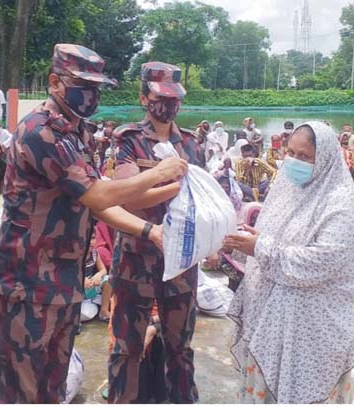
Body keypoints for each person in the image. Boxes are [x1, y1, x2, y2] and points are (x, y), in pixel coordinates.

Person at [0, 45, 186, 404]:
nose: (91, 96)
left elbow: (97, 203)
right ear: (54, 83)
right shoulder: (40, 131)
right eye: (82, 85)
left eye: (96, 88)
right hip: (25, 285)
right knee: (21, 393)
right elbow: (97, 194)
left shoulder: (78, 133)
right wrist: (159, 173)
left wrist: (148, 231)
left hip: (62, 283)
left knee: (51, 390)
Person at [223, 121, 354, 404]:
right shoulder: (285, 187)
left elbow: (316, 262)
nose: (295, 161)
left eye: (304, 156)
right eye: (291, 153)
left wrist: (260, 246)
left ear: (323, 159)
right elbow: (267, 235)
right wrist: (244, 243)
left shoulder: (341, 205)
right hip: (270, 325)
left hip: (313, 332)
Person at [107, 61, 200, 404]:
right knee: (127, 348)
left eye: (175, 98)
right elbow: (126, 197)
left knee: (180, 348)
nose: (170, 105)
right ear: (144, 97)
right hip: (136, 260)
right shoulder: (128, 139)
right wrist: (172, 184)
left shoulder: (190, 144)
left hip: (181, 262)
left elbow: (203, 201)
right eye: (162, 97)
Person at [219, 202, 262, 292]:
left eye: (257, 218)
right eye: (252, 217)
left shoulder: (262, 237)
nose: (254, 221)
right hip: (236, 274)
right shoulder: (238, 232)